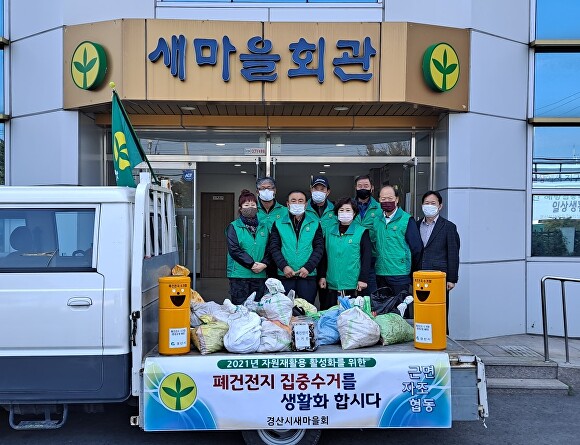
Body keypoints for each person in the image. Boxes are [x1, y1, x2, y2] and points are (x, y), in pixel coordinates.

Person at [269, 190, 324, 304]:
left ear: (306, 204)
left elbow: (319, 248)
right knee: (285, 311)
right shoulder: (278, 223)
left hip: (307, 275)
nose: (297, 204)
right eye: (293, 201)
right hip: (285, 275)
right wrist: (284, 266)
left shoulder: (314, 223)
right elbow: (274, 248)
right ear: (287, 204)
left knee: (306, 310)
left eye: (300, 201)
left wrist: (308, 267)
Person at [417, 190, 460, 333]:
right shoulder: (416, 225)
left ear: (440, 206)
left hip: (439, 278)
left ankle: (442, 337)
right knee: (421, 310)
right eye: (426, 203)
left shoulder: (448, 227)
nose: (429, 206)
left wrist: (452, 278)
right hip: (420, 276)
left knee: (439, 311)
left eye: (433, 203)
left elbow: (453, 253)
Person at [318, 197, 372, 310]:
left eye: (348, 210)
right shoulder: (329, 231)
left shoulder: (362, 231)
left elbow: (366, 257)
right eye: (341, 210)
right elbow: (324, 256)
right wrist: (322, 276)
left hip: (353, 284)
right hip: (331, 282)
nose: (344, 213)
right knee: (330, 314)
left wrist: (363, 279)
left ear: (355, 213)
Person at [371, 185, 423, 296]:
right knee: (382, 309)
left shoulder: (407, 220)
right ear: (379, 200)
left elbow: (417, 248)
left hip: (400, 274)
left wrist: (412, 271)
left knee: (400, 309)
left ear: (397, 199)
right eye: (383, 199)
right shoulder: (376, 220)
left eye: (390, 198)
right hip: (380, 273)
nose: (386, 201)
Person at [225, 189, 270, 305]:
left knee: (257, 308)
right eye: (246, 205)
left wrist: (264, 263)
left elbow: (270, 248)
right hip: (239, 275)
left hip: (260, 274)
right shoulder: (233, 227)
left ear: (257, 207)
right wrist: (251, 264)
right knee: (240, 308)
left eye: (253, 204)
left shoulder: (264, 227)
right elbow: (234, 249)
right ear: (240, 208)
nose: (250, 207)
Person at [353, 174, 382, 294]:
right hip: (351, 256)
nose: (363, 188)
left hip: (372, 258)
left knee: (369, 297)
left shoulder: (380, 209)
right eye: (360, 186)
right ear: (355, 188)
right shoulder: (348, 207)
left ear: (372, 188)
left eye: (366, 186)